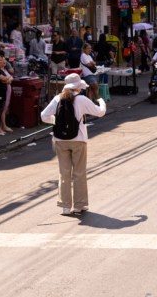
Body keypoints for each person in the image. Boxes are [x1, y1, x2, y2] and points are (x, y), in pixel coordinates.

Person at [41, 74, 106, 215]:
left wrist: (58, 122)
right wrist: (101, 102)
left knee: (64, 173)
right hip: (79, 139)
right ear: (78, 87)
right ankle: (79, 205)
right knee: (79, 172)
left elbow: (43, 116)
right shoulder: (82, 99)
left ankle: (65, 206)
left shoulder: (57, 98)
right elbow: (100, 112)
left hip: (60, 140)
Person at [0, 54, 13, 136]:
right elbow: (5, 78)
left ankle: (0, 127)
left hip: (3, 93)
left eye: (1, 60)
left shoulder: (2, 70)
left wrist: (6, 79)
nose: (0, 62)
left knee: (1, 110)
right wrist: (6, 78)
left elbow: (8, 79)